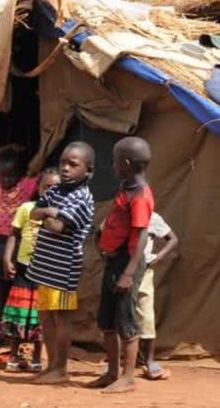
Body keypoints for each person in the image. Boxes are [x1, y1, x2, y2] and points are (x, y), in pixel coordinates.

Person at [88, 136, 154, 394]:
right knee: (107, 318)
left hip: (127, 264)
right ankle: (112, 372)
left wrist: (128, 273)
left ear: (125, 164)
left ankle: (128, 377)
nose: (113, 166)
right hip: (114, 260)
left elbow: (140, 236)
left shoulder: (140, 195)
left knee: (126, 320)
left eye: (115, 162)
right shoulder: (125, 189)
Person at [26, 141, 95, 385]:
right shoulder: (56, 191)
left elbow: (56, 227)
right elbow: (33, 212)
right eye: (63, 163)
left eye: (73, 164)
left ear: (88, 171)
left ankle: (61, 368)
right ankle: (51, 364)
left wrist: (48, 213)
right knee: (46, 316)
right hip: (45, 267)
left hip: (64, 269)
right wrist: (50, 212)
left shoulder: (82, 197)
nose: (65, 168)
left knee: (61, 317)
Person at [1, 168, 62, 373]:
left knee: (40, 316)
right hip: (24, 269)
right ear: (38, 187)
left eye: (55, 187)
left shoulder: (61, 214)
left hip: (46, 272)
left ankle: (36, 358)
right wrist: (7, 258)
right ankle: (13, 357)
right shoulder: (27, 208)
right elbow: (14, 234)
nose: (50, 191)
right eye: (46, 187)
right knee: (19, 313)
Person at [0, 144, 39, 344]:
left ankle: (14, 330)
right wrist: (8, 148)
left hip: (16, 244)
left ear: (20, 175)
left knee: (16, 289)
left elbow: (38, 170)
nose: (6, 180)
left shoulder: (25, 188)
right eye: (4, 175)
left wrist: (25, 153)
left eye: (12, 176)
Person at [136, 212, 178, 380]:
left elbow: (173, 238)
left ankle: (149, 361)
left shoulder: (152, 217)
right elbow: (101, 232)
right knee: (120, 316)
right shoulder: (120, 214)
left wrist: (158, 257)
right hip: (121, 269)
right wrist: (105, 253)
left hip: (143, 271)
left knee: (146, 317)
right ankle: (117, 363)